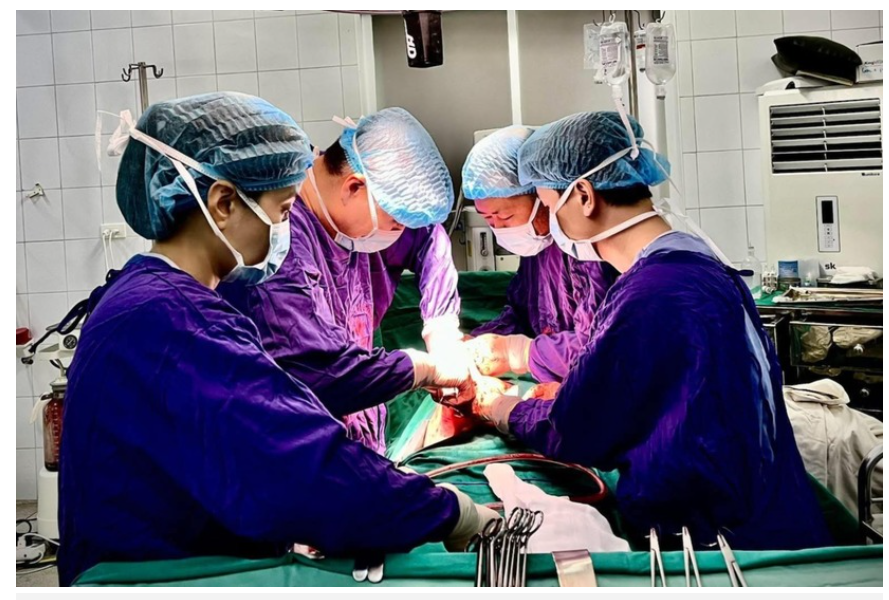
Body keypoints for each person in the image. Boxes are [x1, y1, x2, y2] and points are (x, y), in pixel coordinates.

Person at [58, 93, 495, 586]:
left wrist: (440, 330)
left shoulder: (143, 298)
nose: (287, 231)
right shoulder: (181, 325)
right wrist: (452, 513)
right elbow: (306, 472)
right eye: (284, 210)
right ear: (224, 204)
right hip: (162, 579)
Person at [472, 111, 832, 550]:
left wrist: (503, 408)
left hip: (718, 544)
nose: (549, 224)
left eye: (548, 205)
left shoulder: (650, 293)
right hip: (771, 515)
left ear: (583, 196)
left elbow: (577, 431)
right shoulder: (697, 265)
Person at [219, 107, 472, 455]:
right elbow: (323, 373)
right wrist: (423, 368)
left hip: (360, 429)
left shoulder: (358, 216)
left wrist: (441, 329)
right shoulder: (278, 247)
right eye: (396, 223)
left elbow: (426, 235)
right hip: (298, 447)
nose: (398, 232)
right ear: (354, 187)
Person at [460, 126, 617, 385]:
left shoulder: (588, 248)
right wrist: (481, 344)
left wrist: (517, 353)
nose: (498, 228)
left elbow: (597, 347)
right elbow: (522, 312)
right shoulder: (538, 246)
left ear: (541, 197)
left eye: (504, 216)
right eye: (487, 219)